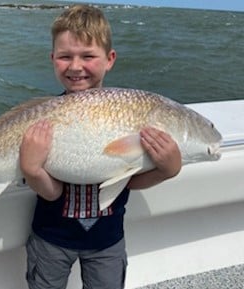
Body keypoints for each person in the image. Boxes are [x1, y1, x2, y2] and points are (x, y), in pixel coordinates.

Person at [19, 4, 181, 289]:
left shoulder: (130, 114)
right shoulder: (42, 119)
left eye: (88, 56)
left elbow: (129, 181)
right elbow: (53, 192)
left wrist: (167, 170)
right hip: (50, 239)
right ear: (52, 58)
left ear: (110, 59)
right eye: (65, 56)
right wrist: (32, 170)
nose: (76, 66)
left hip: (108, 243)